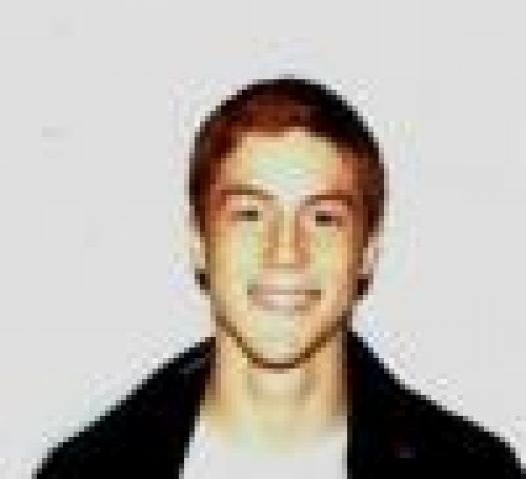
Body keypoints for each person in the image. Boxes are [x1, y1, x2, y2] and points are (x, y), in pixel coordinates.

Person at [35, 77, 523, 478]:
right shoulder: (86, 472)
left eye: (323, 218)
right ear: (199, 241)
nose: (286, 252)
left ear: (368, 251)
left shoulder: (471, 472)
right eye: (250, 214)